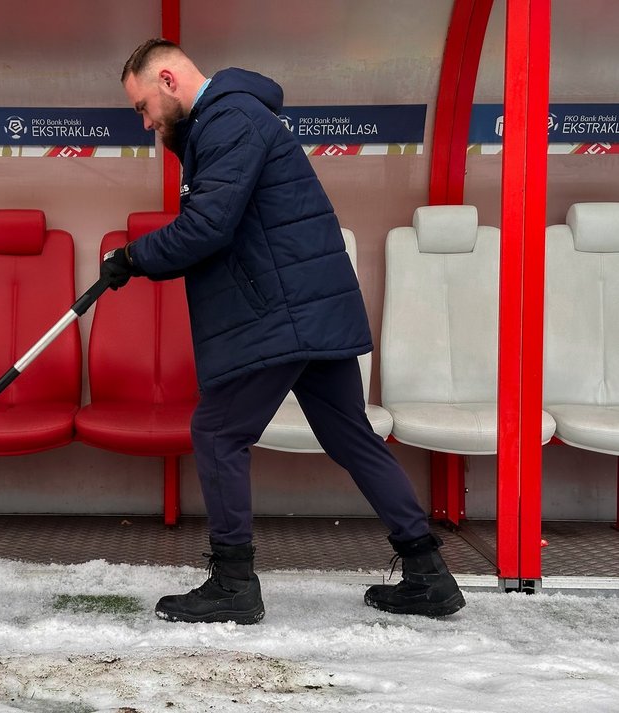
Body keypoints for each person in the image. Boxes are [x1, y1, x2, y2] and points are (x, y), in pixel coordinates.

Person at [100, 38, 465, 624]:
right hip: (305, 307)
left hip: (280, 312)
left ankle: (233, 582)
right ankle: (427, 573)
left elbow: (208, 226)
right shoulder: (230, 119)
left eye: (143, 106)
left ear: (168, 80)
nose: (145, 123)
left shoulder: (228, 119)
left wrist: (132, 259)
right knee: (351, 437)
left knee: (217, 432)